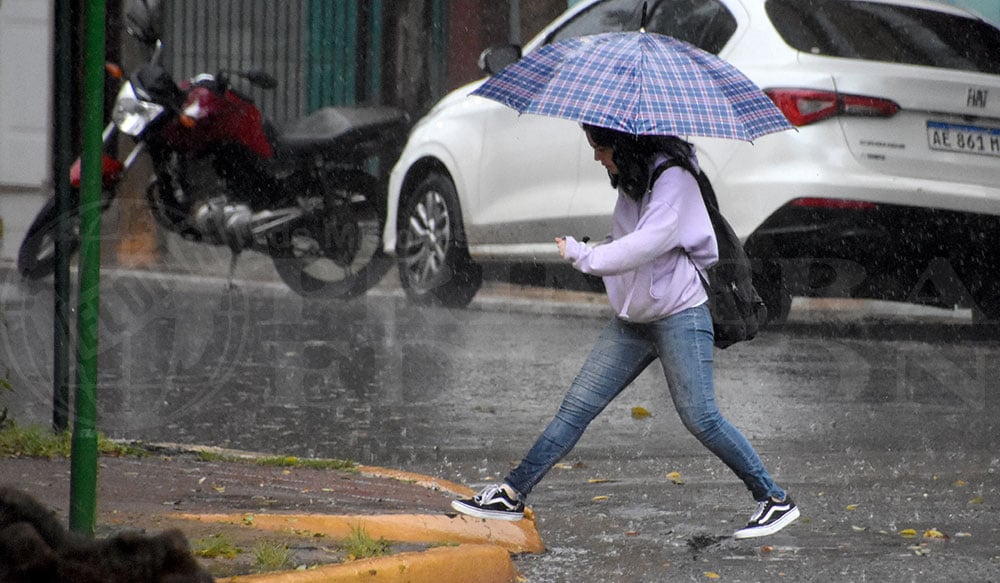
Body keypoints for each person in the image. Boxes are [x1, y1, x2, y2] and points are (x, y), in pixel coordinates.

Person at [451, 124, 799, 539]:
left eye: (601, 147)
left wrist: (585, 255)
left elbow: (646, 244)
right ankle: (512, 492)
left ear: (626, 144)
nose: (598, 157)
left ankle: (773, 499)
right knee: (576, 407)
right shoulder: (634, 178)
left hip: (678, 314)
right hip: (634, 320)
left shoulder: (674, 179)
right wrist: (602, 247)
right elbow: (629, 239)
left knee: (701, 418)